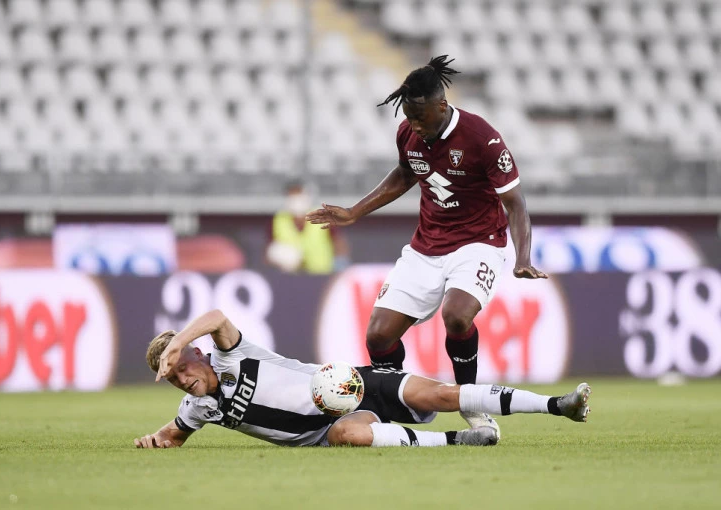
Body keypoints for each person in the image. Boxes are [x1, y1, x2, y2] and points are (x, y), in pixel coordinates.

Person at [306, 56, 548, 417]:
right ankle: (399, 406)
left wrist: (523, 258)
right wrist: (354, 211)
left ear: (442, 106)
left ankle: (470, 405)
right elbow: (406, 174)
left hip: (478, 242)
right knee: (378, 335)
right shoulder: (408, 132)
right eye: (409, 117)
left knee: (457, 316)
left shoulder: (482, 138)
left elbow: (515, 203)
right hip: (426, 246)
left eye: (420, 117)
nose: (414, 125)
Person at [133, 309, 591, 449]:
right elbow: (172, 436)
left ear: (196, 352)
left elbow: (216, 317)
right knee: (348, 435)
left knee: (441, 394)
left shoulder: (233, 355)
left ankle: (558, 405)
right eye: (172, 379)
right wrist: (155, 440)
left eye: (181, 366)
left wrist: (177, 340)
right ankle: (461, 440)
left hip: (351, 384)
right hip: (330, 427)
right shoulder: (199, 408)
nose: (182, 380)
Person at [265, 179, 350, 274]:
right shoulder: (279, 219)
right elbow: (269, 252)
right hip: (291, 276)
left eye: (299, 194)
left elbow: (338, 241)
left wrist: (340, 262)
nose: (296, 199)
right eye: (292, 195)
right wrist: (279, 260)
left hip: (322, 274)